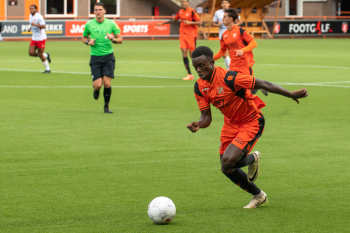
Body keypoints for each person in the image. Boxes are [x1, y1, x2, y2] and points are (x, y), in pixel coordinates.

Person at [187, 46, 308, 208]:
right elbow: (206, 118)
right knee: (226, 168)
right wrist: (198, 124)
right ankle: (258, 195)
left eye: (201, 65)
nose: (198, 70)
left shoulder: (230, 78)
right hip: (230, 124)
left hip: (251, 121)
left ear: (212, 62)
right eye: (195, 67)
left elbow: (263, 84)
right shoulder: (199, 87)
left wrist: (291, 95)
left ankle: (253, 158)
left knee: (229, 160)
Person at [213, 8, 267, 96]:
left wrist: (243, 50)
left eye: (224, 17)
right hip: (233, 66)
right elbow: (222, 51)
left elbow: (253, 43)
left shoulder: (240, 31)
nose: (222, 18)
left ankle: (258, 86)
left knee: (246, 91)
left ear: (231, 19)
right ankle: (257, 86)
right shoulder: (224, 35)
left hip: (244, 65)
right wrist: (212, 59)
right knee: (233, 89)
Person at [82, 2, 123, 113]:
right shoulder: (89, 24)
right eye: (96, 10)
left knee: (107, 83)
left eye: (100, 9)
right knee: (98, 85)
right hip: (95, 58)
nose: (98, 12)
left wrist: (113, 39)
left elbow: (120, 39)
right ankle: (96, 90)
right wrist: (87, 41)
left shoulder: (111, 24)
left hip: (108, 57)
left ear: (104, 11)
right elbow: (84, 38)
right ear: (94, 12)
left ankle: (106, 107)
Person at [157, 0, 202, 80]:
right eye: (182, 2)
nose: (183, 3)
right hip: (183, 35)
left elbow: (200, 22)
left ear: (187, 3)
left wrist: (189, 22)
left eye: (185, 2)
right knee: (184, 53)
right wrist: (163, 23)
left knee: (192, 56)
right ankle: (189, 75)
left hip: (191, 35)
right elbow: (174, 20)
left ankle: (202, 72)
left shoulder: (192, 11)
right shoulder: (180, 12)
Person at [212, 0, 242, 70]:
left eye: (226, 3)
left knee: (233, 52)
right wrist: (217, 25)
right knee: (224, 54)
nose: (224, 4)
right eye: (223, 3)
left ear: (229, 4)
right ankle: (230, 69)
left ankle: (234, 69)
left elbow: (240, 21)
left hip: (232, 35)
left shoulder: (232, 12)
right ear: (221, 4)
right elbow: (213, 23)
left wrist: (232, 26)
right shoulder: (217, 12)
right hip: (222, 35)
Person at [28, 5, 51, 73]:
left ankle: (48, 69)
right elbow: (32, 25)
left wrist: (35, 25)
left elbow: (44, 26)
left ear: (36, 9)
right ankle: (46, 55)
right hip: (34, 37)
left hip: (41, 38)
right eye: (30, 9)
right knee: (31, 53)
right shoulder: (30, 16)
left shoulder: (39, 16)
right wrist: (30, 28)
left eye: (32, 9)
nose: (31, 10)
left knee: (40, 54)